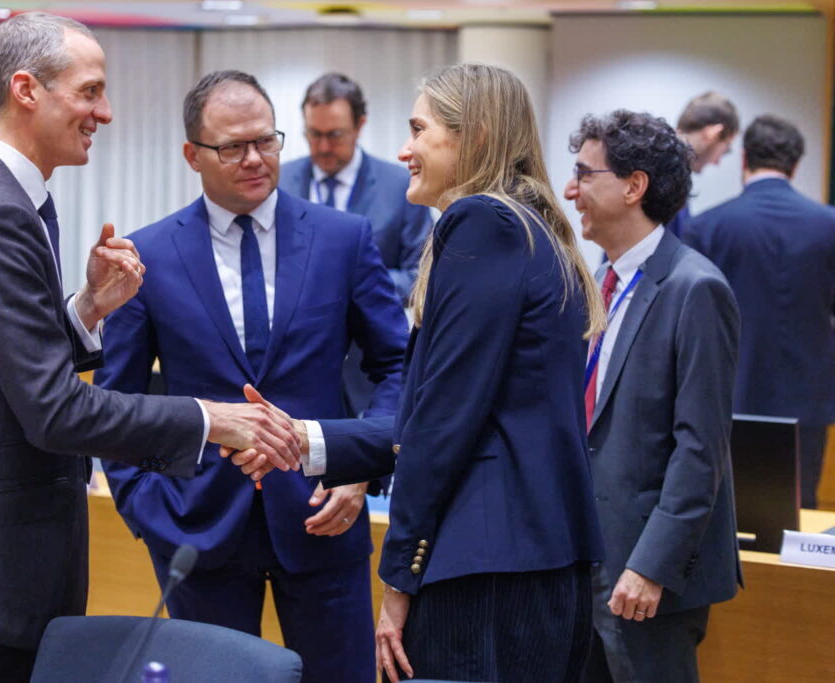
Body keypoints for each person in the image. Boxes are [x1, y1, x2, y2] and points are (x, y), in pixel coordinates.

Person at [0, 16, 299, 682]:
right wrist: (212, 418)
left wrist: (87, 310)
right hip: (8, 553)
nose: (104, 113)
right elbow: (52, 411)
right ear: (27, 89)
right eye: (90, 92)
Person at [231, 63, 606, 683]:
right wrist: (305, 440)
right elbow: (451, 412)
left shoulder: (481, 221)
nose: (403, 149)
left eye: (419, 129)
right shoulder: (529, 224)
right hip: (528, 560)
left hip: (483, 569)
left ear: (476, 137)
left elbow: (443, 423)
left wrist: (398, 578)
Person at [95, 70, 408, 683]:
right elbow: (118, 398)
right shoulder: (148, 254)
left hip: (325, 516)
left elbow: (398, 365)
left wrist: (361, 467)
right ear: (193, 155)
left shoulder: (343, 238)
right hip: (196, 523)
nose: (255, 159)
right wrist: (142, 503)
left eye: (266, 141)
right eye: (232, 146)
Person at [563, 110, 742, 683]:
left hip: (646, 575)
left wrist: (650, 566)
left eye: (585, 175)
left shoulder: (696, 288)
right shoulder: (602, 282)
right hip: (589, 560)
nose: (571, 191)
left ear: (633, 185)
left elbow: (700, 451)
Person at [684, 114, 835, 509]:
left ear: (744, 158)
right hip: (808, 400)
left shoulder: (707, 227)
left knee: (720, 517)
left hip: (726, 399)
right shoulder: (829, 226)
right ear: (796, 164)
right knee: (797, 522)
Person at [279, 73, 431, 416]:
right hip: (295, 374)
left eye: (334, 135)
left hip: (372, 373)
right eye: (313, 135)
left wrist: (355, 285)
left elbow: (422, 275)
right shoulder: (280, 182)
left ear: (360, 125)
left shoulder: (400, 186)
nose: (322, 147)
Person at [665, 91, 740, 238]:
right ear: (713, 134)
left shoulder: (671, 170)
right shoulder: (666, 178)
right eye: (725, 150)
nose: (717, 162)